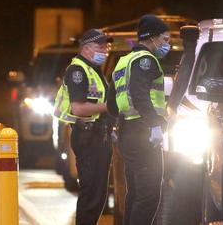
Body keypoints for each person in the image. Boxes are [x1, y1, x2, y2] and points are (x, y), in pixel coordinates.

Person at [111, 15, 170, 225]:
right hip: (143, 133)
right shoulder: (146, 61)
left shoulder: (122, 63)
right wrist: (155, 124)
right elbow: (139, 94)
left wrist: (114, 126)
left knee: (135, 194)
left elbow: (111, 102)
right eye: (165, 39)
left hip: (127, 133)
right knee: (148, 196)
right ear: (152, 38)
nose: (166, 44)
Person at [53, 29, 114, 225]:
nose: (105, 50)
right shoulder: (78, 70)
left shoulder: (94, 69)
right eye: (100, 47)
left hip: (98, 136)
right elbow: (78, 108)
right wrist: (109, 107)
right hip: (88, 137)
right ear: (86, 48)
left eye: (106, 46)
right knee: (91, 196)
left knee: (98, 195)